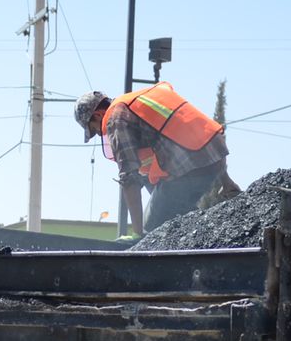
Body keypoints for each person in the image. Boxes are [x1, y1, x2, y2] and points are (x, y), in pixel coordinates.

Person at [73, 83, 239, 234]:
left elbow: (129, 177)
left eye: (95, 130)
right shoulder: (142, 98)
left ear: (98, 115)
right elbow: (200, 134)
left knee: (153, 228)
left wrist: (138, 233)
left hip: (188, 168)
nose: (100, 133)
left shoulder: (115, 117)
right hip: (214, 156)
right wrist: (226, 181)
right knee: (176, 214)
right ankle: (203, 233)